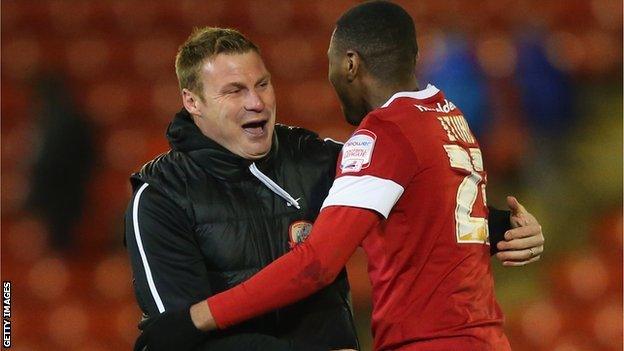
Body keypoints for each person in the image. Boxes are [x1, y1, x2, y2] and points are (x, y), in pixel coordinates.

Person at [126, 23, 544, 351]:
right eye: (234, 91)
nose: (257, 102)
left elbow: (418, 205)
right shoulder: (161, 195)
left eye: (263, 84)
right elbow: (175, 336)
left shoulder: (318, 158)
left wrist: (501, 228)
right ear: (192, 101)